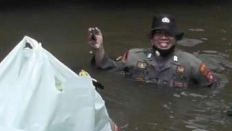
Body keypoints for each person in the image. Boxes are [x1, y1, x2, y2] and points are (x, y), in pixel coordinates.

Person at [87, 14, 217, 88]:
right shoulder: (133, 57)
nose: (163, 38)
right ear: (152, 38)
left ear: (176, 39)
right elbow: (106, 68)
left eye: (168, 34)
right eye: (159, 33)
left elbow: (212, 86)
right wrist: (98, 48)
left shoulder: (192, 64)